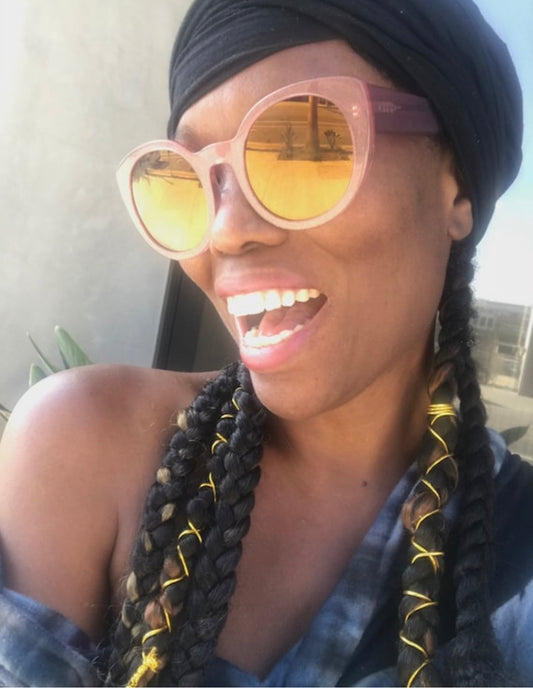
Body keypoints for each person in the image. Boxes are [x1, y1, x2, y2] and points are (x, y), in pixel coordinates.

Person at [0, 0, 530, 686]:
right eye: (186, 178)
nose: (225, 229)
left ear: (454, 188)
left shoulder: (516, 565)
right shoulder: (85, 447)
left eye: (306, 147)